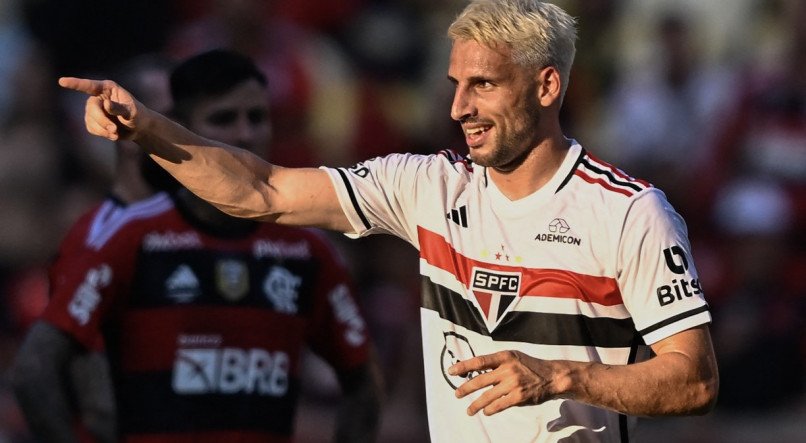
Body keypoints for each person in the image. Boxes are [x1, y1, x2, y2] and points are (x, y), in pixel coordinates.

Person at [58, 1, 718, 441]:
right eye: (455, 84)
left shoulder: (630, 211)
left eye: (483, 85)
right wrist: (147, 128)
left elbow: (694, 379)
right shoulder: (427, 184)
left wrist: (558, 376)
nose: (459, 106)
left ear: (547, 87)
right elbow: (263, 190)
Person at [14, 49, 382, 443]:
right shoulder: (131, 235)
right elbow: (36, 367)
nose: (245, 134)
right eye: (223, 119)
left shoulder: (308, 250)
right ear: (181, 128)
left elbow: (364, 381)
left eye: (257, 117)